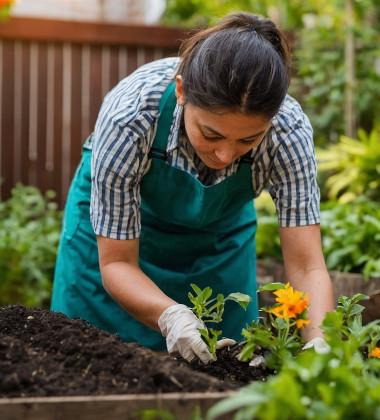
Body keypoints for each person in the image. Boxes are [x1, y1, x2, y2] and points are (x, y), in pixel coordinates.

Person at [51, 11, 334, 364]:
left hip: (217, 241)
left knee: (227, 366)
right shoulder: (133, 116)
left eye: (248, 140)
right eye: (210, 134)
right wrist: (170, 316)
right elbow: (117, 263)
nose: (225, 154)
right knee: (90, 364)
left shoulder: (287, 133)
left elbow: (307, 266)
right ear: (182, 91)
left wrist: (321, 343)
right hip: (114, 244)